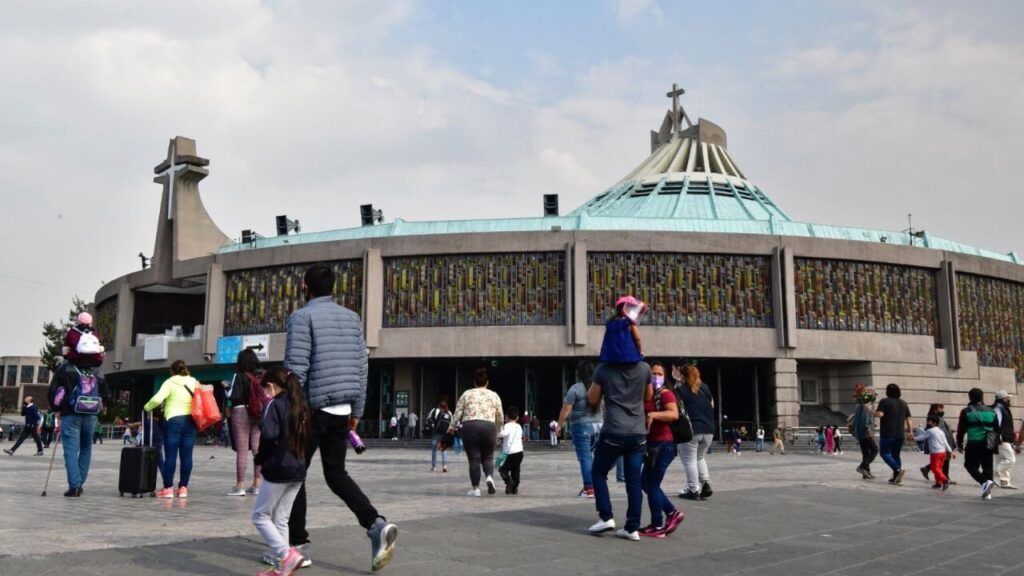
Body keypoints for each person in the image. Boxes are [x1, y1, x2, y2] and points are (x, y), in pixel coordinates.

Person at [284, 263, 397, 572]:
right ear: (332, 288)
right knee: (336, 475)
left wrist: (290, 412)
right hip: (343, 412)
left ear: (305, 287)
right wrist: (357, 412)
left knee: (295, 473)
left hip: (312, 411)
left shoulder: (302, 317)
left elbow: (296, 369)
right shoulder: (352, 319)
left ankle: (297, 545)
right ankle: (375, 524)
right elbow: (363, 369)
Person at [585, 351, 650, 541]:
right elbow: (648, 396)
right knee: (633, 481)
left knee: (598, 472)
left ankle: (606, 516)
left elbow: (592, 398)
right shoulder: (644, 368)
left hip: (613, 430)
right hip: (637, 432)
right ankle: (632, 527)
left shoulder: (604, 369)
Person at [252, 368, 311, 576]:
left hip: (278, 468)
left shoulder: (274, 405)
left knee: (260, 515)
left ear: (270, 386)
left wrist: (260, 458)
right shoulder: (301, 406)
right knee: (281, 519)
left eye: (265, 389)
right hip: (298, 469)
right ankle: (282, 569)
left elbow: (267, 436)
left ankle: (286, 555)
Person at [47, 364, 109, 497]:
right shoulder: (96, 370)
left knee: (71, 450)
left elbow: (53, 390)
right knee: (86, 448)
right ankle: (79, 483)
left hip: (70, 413)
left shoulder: (65, 368)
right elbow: (106, 393)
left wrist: (57, 409)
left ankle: (74, 486)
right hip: (91, 414)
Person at [639, 362, 684, 539]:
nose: (656, 376)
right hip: (653, 445)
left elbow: (673, 414)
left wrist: (653, 415)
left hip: (663, 445)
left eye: (659, 373)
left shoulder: (665, 393)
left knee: (651, 484)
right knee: (646, 483)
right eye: (653, 373)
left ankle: (658, 524)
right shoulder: (649, 394)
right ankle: (671, 513)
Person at [144, 360, 198, 499]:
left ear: (172, 371)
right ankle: (183, 488)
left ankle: (168, 488)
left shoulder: (170, 382)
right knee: (187, 456)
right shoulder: (194, 381)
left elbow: (157, 399)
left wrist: (146, 407)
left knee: (171, 455)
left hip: (173, 420)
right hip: (191, 421)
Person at [450, 367, 504, 496]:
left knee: (474, 458)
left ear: (474, 383)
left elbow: (458, 413)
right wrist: (500, 429)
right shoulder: (494, 395)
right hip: (489, 427)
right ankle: (489, 477)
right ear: (487, 382)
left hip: (470, 426)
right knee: (488, 457)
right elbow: (500, 415)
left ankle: (476, 489)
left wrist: (451, 426)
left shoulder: (467, 394)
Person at [556, 361, 601, 498]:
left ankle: (589, 488)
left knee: (585, 458)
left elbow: (566, 409)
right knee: (597, 457)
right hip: (600, 426)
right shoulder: (599, 387)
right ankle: (598, 485)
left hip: (582, 427)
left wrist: (559, 425)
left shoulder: (575, 389)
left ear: (578, 374)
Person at [225, 348, 264, 497]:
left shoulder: (239, 376)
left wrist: (226, 388)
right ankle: (257, 485)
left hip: (241, 412)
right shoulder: (262, 375)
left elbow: (233, 396)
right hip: (258, 413)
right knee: (257, 449)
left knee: (242, 450)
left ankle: (239, 485)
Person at [675, 364, 715, 500]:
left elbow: (678, 409)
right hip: (709, 430)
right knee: (700, 457)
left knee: (689, 460)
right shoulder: (705, 388)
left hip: (692, 430)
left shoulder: (681, 390)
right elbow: (712, 405)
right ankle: (705, 483)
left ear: (683, 376)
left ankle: (693, 489)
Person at [955, 388, 999, 500]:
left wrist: (959, 443)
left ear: (970, 397)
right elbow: (996, 429)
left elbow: (961, 429)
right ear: (982, 397)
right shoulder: (991, 411)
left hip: (974, 442)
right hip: (988, 443)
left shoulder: (966, 411)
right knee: (987, 467)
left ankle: (984, 482)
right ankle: (987, 493)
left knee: (969, 465)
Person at [874, 383, 912, 485]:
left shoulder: (884, 401)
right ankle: (896, 477)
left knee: (884, 453)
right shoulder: (904, 403)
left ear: (887, 392)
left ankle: (897, 470)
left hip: (887, 433)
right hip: (900, 434)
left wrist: (870, 411)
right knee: (896, 455)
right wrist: (910, 431)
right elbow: (908, 418)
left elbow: (880, 414)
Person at [598, 295, 646, 363]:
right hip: (629, 357)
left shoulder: (611, 322)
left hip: (610, 358)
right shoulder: (630, 322)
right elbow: (637, 338)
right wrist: (641, 351)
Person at [913, 415, 953, 490]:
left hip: (936, 453)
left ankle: (945, 480)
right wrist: (950, 451)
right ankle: (938, 483)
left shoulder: (930, 431)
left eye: (929, 421)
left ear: (934, 423)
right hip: (943, 452)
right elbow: (945, 443)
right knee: (939, 468)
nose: (928, 423)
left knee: (935, 468)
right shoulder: (941, 431)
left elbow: (922, 437)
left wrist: (912, 438)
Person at [919, 403, 956, 484]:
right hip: (940, 444)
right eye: (941, 409)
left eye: (943, 409)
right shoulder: (934, 419)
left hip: (944, 443)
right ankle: (944, 478)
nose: (942, 411)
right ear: (935, 409)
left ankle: (928, 470)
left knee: (942, 461)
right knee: (943, 462)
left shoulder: (939, 418)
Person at [851, 384, 878, 480]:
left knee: (865, 453)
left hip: (859, 433)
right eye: (875, 394)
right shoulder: (867, 403)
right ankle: (862, 467)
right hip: (865, 432)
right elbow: (866, 418)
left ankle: (866, 473)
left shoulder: (858, 404)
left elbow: (855, 419)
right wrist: (868, 430)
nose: (875, 396)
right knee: (875, 450)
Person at [992, 390, 1017, 489]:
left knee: (1001, 460)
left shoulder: (1003, 408)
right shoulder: (998, 409)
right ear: (1002, 399)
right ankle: (995, 473)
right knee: (1011, 459)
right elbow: (996, 424)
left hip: (1002, 438)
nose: (1009, 400)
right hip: (1001, 439)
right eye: (1007, 398)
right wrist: (1000, 437)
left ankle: (1004, 482)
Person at [497, 406, 525, 495]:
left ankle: (508, 481)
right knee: (515, 470)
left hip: (509, 453)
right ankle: (515, 488)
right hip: (519, 452)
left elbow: (501, 434)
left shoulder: (507, 426)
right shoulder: (519, 426)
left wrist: (498, 430)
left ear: (507, 417)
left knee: (502, 469)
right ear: (517, 417)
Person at [426, 400, 452, 472]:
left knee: (434, 450)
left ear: (439, 406)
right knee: (443, 449)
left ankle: (434, 467)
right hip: (444, 434)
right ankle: (444, 466)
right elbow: (451, 423)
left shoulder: (435, 410)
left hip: (436, 433)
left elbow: (428, 418)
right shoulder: (449, 412)